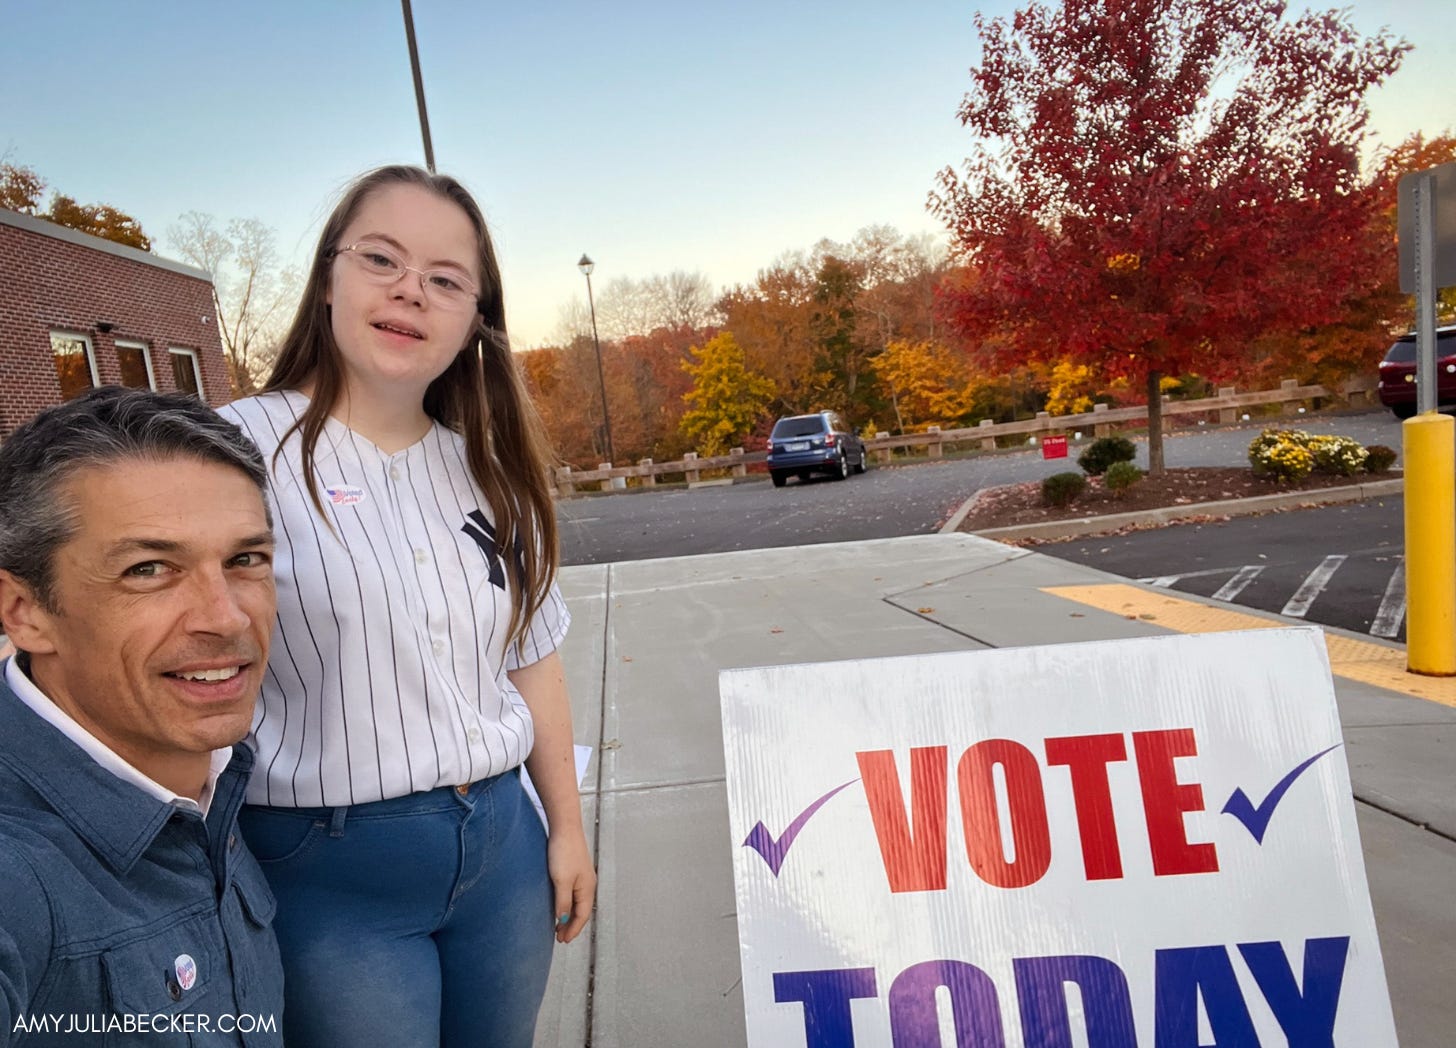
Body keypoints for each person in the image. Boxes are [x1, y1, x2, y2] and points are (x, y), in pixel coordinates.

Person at [218, 165, 595, 1048]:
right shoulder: (233, 449)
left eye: (444, 280)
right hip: (327, 871)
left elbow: (531, 659)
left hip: (502, 852)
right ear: (328, 280)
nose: (409, 292)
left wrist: (567, 832)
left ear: (474, 323)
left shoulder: (490, 471)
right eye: (381, 259)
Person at [0, 387, 284, 1044]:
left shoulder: (219, 779)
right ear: (24, 612)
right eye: (149, 569)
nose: (227, 617)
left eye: (245, 560)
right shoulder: (19, 876)